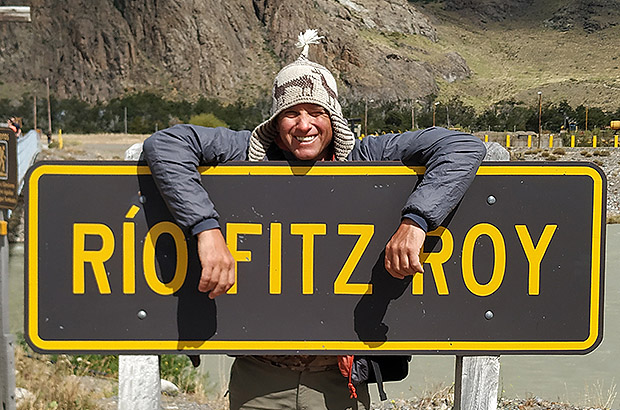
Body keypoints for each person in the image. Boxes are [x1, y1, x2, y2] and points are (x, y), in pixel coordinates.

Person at [143, 29, 486, 410]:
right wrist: (205, 229)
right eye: (291, 113)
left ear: (333, 118)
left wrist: (417, 221)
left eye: (316, 112)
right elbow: (166, 144)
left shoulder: (366, 156)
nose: (304, 124)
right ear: (276, 121)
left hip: (338, 379)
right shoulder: (247, 153)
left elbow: (462, 146)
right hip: (259, 374)